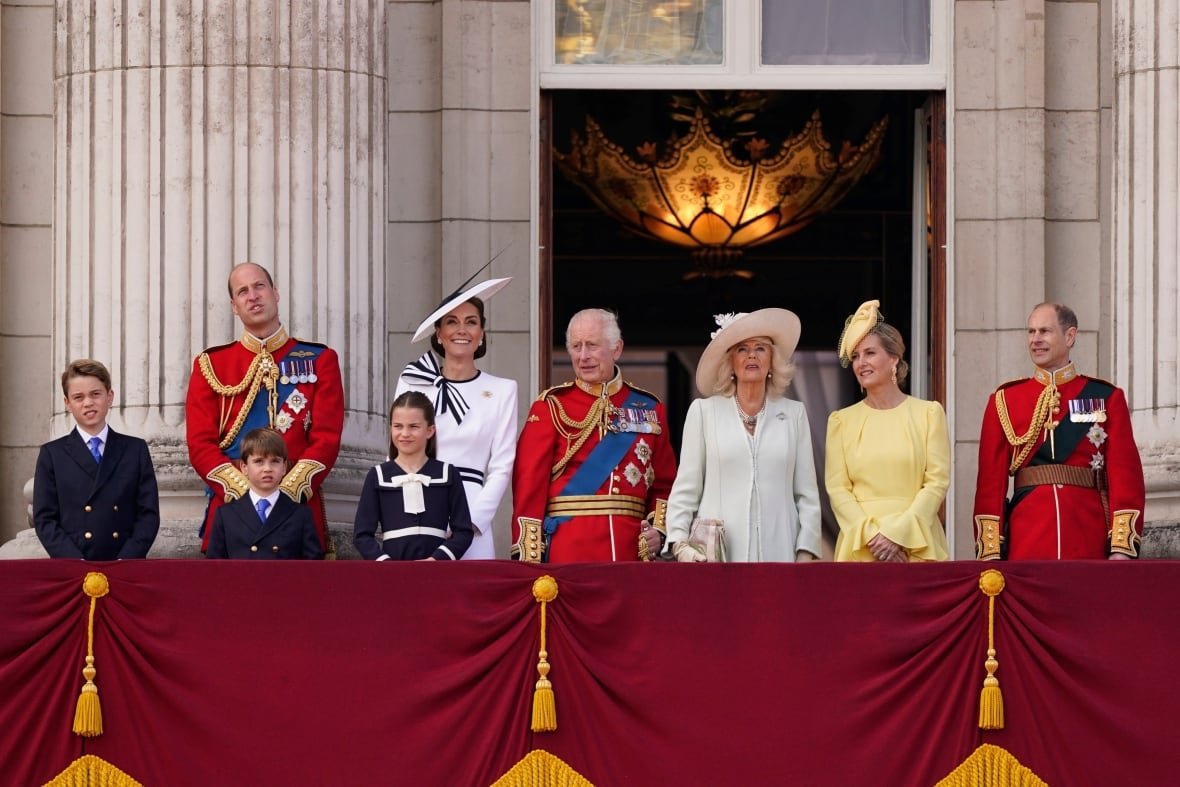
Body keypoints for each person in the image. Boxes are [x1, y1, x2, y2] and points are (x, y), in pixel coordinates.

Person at [185, 262, 344, 555]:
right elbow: (200, 444)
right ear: (234, 306)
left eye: (259, 286)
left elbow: (327, 438)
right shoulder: (211, 365)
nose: (253, 296)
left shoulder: (320, 359)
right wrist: (249, 494)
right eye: (242, 291)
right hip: (232, 513)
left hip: (296, 511)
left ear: (276, 293)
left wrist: (283, 494)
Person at [973, 303, 1145, 560]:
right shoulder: (1005, 400)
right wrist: (991, 552)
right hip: (1027, 537)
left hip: (1088, 533)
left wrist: (1121, 548)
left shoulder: (1105, 397)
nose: (1035, 340)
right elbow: (990, 484)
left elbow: (1125, 475)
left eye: (1045, 331)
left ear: (1070, 336)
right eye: (1031, 332)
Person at [511, 308, 677, 563]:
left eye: (592, 345)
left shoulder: (650, 408)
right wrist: (529, 558)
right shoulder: (551, 407)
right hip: (567, 550)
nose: (583, 356)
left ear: (617, 349)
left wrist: (658, 531)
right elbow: (528, 488)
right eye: (576, 346)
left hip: (630, 552)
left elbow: (665, 485)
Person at [665, 309, 822, 562]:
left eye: (760, 348)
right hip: (717, 559)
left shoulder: (794, 414)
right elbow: (686, 488)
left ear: (772, 360)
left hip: (781, 556)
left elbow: (806, 494)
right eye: (742, 349)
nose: (751, 355)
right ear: (731, 363)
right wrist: (680, 544)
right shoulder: (704, 412)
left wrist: (805, 552)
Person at [396, 275, 517, 559]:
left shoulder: (502, 390)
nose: (461, 330)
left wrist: (471, 522)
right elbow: (397, 453)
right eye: (451, 321)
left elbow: (502, 466)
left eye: (471, 321)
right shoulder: (413, 382)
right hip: (418, 506)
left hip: (471, 512)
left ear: (482, 332)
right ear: (438, 333)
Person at [825, 300, 950, 562]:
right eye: (856, 356)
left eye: (870, 353)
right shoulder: (841, 421)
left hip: (917, 544)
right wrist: (873, 537)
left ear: (893, 358)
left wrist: (898, 535)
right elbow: (837, 489)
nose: (861, 363)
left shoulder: (928, 413)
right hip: (861, 547)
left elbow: (936, 482)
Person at [33, 359, 160, 559]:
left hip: (125, 565)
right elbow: (45, 519)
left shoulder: (135, 450)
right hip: (74, 567)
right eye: (78, 397)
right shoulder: (52, 454)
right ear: (67, 403)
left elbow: (148, 514)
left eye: (95, 394)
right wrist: (75, 561)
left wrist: (126, 559)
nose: (88, 402)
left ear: (109, 397)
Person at [353, 391, 475, 561]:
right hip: (392, 575)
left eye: (413, 426)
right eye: (398, 426)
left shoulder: (448, 474)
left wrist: (437, 559)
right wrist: (385, 563)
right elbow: (362, 535)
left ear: (430, 430)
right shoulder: (378, 475)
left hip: (438, 573)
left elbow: (463, 532)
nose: (404, 433)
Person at [205, 428, 323, 559]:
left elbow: (313, 569)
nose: (267, 469)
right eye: (259, 461)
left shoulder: (301, 515)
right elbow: (214, 568)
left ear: (284, 468)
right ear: (244, 468)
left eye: (275, 461)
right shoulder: (226, 514)